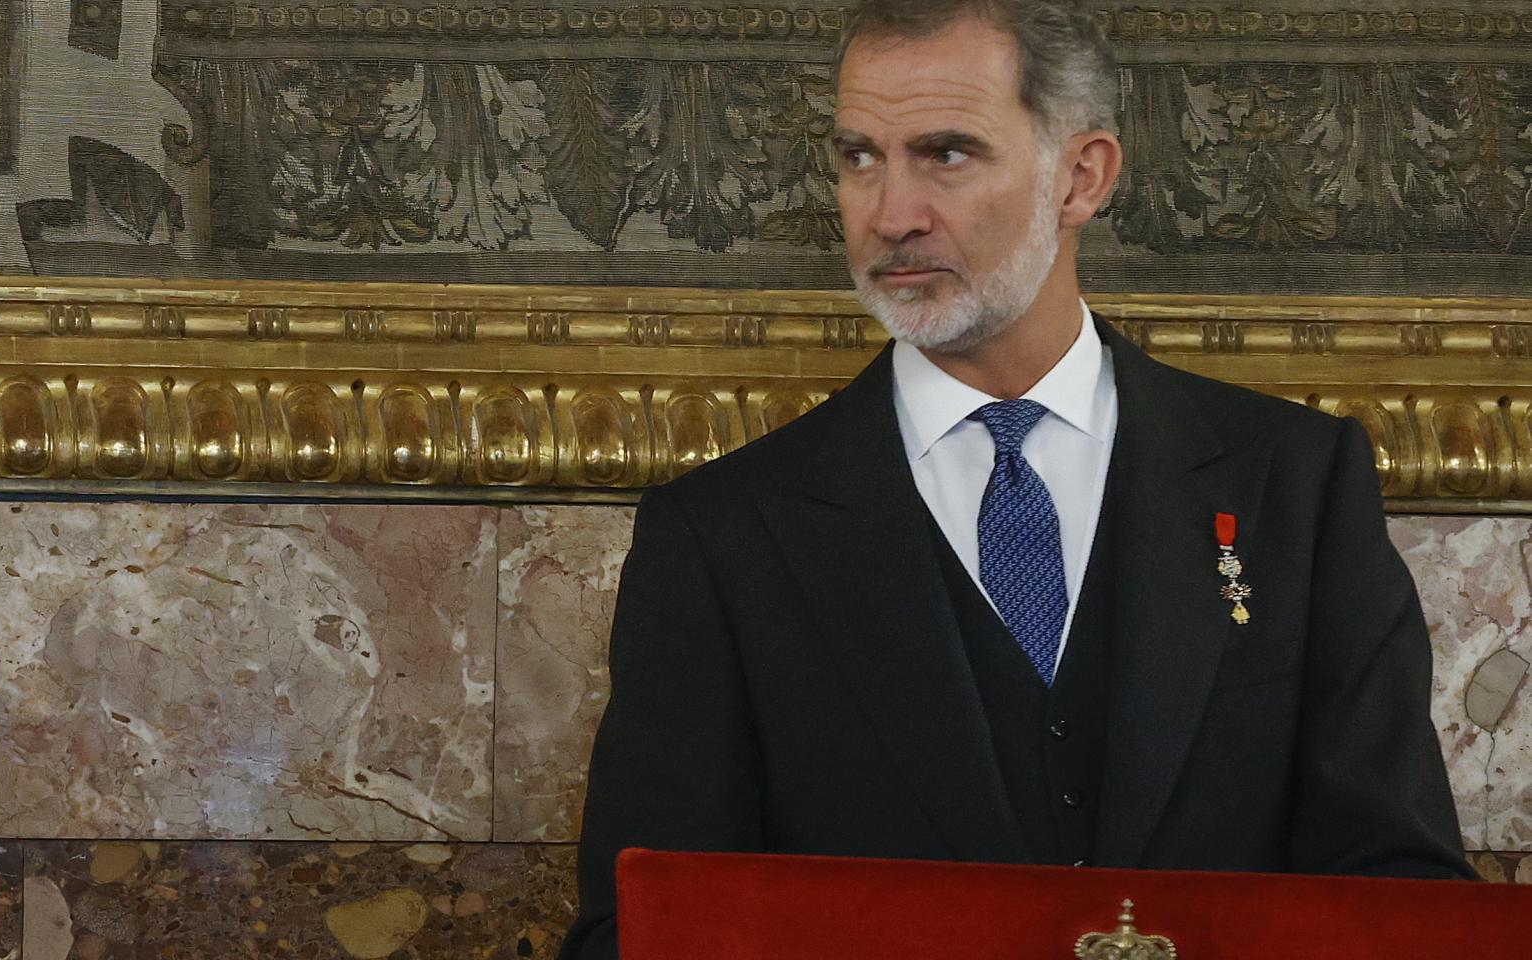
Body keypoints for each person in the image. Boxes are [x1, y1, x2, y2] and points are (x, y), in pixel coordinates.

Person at [558, 2, 1473, 956]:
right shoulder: (721, 535)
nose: (889, 215)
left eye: (946, 154)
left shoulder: (1299, 486)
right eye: (859, 157)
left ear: (1082, 176)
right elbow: (645, 928)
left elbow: (1401, 900)